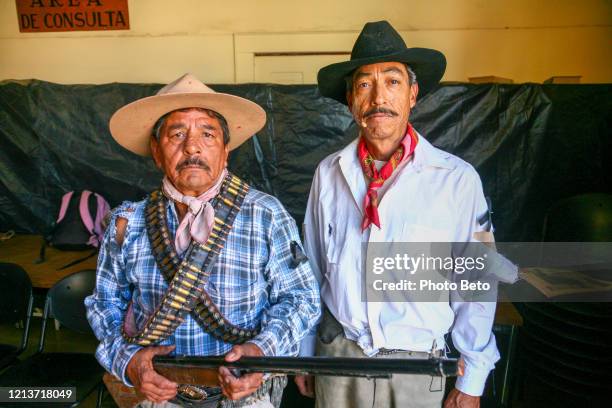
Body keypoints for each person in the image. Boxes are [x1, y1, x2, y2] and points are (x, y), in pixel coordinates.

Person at [295, 21, 504, 408]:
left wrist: (473, 376)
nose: (378, 97)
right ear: (351, 99)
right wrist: (306, 351)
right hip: (339, 357)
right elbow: (311, 267)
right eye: (364, 84)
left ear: (413, 94)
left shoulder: (456, 179)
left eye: (392, 82)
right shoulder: (328, 173)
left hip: (417, 364)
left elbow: (477, 283)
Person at [85, 73, 321, 408]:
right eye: (177, 133)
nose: (192, 146)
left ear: (226, 151)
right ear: (156, 150)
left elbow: (302, 299)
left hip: (247, 396)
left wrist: (262, 352)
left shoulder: (265, 214)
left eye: (207, 134)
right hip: (159, 396)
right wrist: (129, 360)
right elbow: (104, 304)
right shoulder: (128, 222)